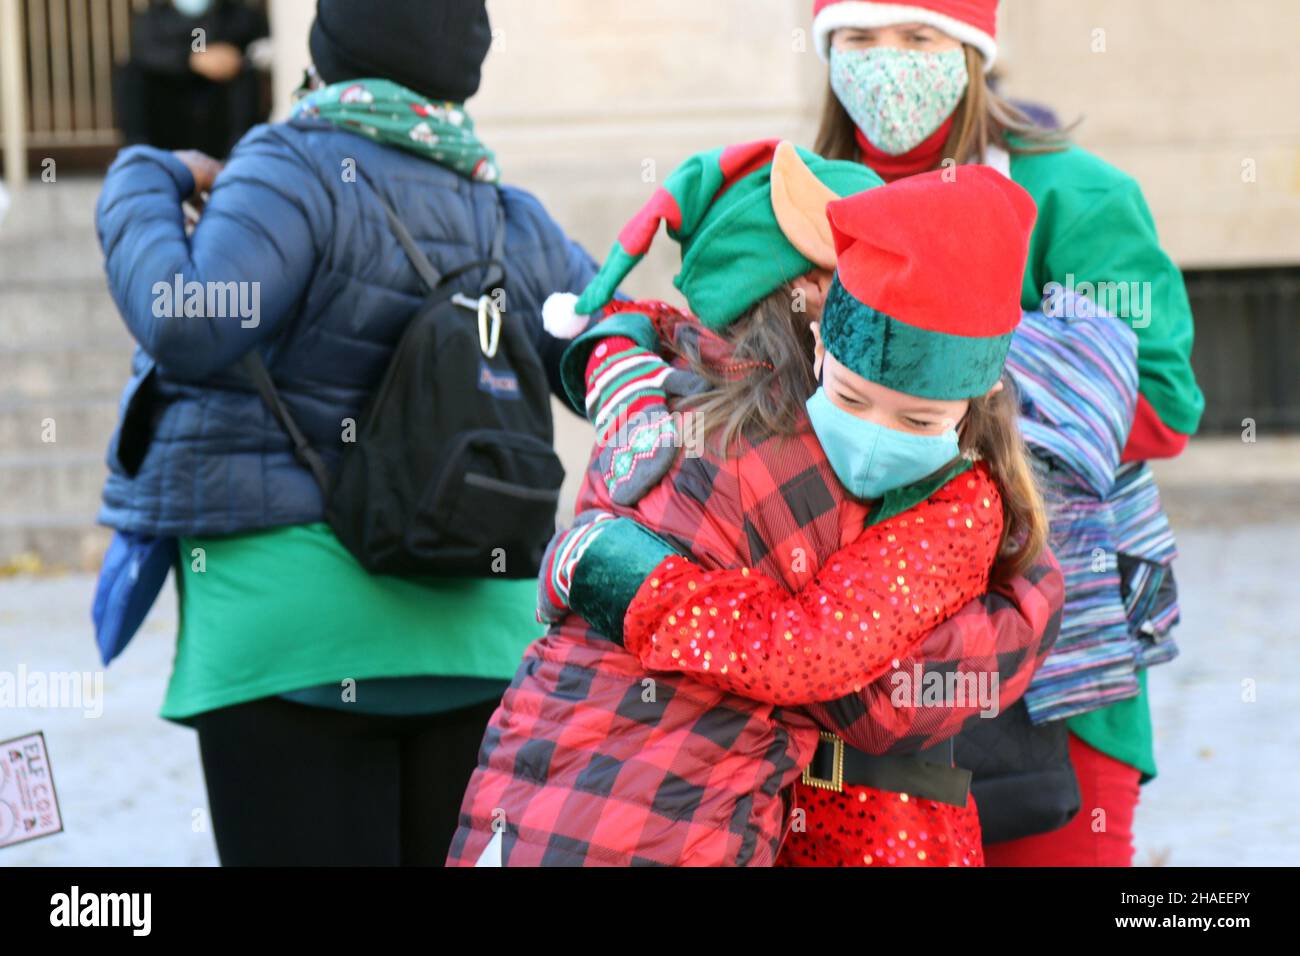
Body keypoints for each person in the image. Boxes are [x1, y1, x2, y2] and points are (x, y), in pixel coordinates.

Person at [447, 142, 1064, 867]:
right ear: (815, 323)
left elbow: (840, 678)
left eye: (917, 420)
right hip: (778, 824)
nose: (871, 438)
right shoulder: (748, 450)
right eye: (853, 399)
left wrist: (620, 577)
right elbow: (856, 683)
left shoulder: (661, 407)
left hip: (821, 828)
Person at [94, 0, 600, 866]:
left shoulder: (290, 169)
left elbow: (189, 319)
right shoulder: (513, 215)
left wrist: (141, 181)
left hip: (293, 643)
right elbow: (615, 364)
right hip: (483, 645)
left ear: (328, 49)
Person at [805, 0, 1201, 864]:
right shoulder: (795, 194)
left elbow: (1164, 406)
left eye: (919, 37)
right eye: (860, 40)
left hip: (1057, 670)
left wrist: (933, 373)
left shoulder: (1074, 193)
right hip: (850, 666)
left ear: (974, 51)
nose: (888, 62)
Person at [117, 0, 270, 159]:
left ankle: (242, 156)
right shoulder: (153, 19)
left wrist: (236, 60)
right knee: (131, 73)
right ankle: (140, 156)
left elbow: (263, 49)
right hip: (171, 115)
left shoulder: (242, 16)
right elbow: (145, 53)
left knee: (246, 74)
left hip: (221, 117)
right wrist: (191, 60)